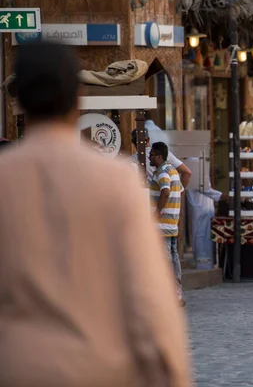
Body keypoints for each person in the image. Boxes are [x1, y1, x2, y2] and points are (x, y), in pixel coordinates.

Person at [0, 41, 189, 386]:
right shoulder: (116, 183)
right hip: (98, 366)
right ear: (77, 100)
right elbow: (150, 299)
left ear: (20, 101)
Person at [149, 142, 185, 306]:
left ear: (159, 155)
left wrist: (157, 212)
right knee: (173, 260)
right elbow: (180, 192)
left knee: (164, 260)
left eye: (152, 154)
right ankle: (177, 295)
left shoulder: (163, 171)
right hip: (172, 223)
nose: (149, 156)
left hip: (162, 224)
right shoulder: (174, 171)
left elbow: (165, 191)